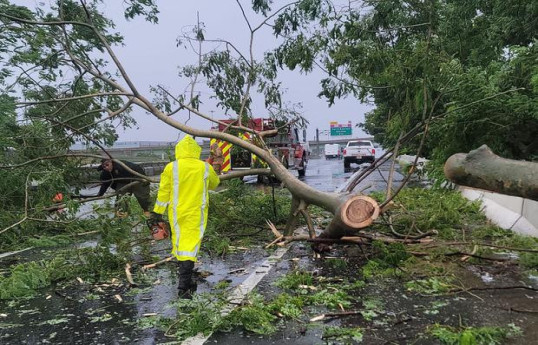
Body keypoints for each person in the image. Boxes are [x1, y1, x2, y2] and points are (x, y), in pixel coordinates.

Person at [150, 136, 220, 299]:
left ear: (179, 150)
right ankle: (184, 283)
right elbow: (214, 184)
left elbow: (163, 192)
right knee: (191, 245)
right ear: (195, 150)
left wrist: (157, 212)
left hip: (177, 212)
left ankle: (186, 279)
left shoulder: (171, 167)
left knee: (181, 243)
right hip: (197, 212)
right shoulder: (204, 167)